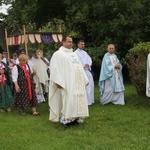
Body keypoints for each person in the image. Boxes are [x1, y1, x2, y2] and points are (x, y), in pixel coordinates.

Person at [49, 35, 89, 128]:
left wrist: (85, 79)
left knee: (76, 101)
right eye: (69, 42)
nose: (71, 43)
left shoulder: (74, 54)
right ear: (63, 42)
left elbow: (80, 67)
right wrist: (58, 81)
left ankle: (74, 118)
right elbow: (55, 68)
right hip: (67, 83)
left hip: (77, 83)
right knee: (67, 101)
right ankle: (65, 120)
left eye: (71, 42)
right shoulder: (58, 54)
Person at [74, 40, 94, 106]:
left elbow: (89, 60)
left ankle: (89, 100)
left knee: (89, 85)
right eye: (81, 44)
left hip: (87, 70)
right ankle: (83, 101)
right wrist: (82, 65)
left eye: (83, 44)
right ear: (78, 45)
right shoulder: (75, 53)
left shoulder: (85, 53)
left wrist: (88, 64)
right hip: (80, 71)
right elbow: (75, 62)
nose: (83, 45)